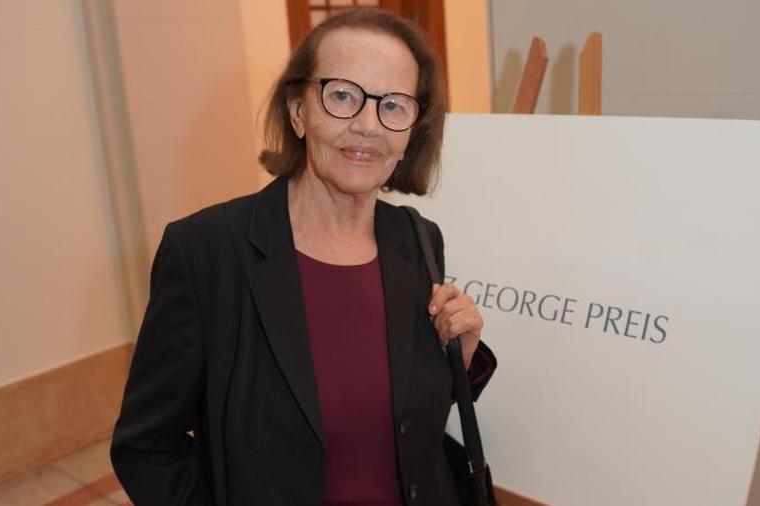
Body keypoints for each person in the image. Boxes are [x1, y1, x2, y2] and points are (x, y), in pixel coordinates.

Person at [110, 8, 496, 506]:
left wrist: (457, 360)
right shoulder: (205, 251)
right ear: (297, 111)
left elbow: (401, 421)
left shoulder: (418, 238)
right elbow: (146, 447)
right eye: (342, 96)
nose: (368, 126)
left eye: (393, 105)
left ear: (412, 130)